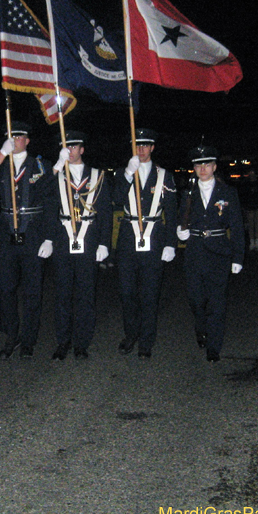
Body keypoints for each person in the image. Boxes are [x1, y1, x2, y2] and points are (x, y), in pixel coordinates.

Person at [0, 121, 56, 359]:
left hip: (33, 234)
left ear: (27, 140)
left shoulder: (40, 166)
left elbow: (51, 202)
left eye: (19, 137)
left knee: (32, 291)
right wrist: (1, 153)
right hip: (5, 236)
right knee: (5, 289)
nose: (15, 141)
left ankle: (28, 339)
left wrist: (49, 238)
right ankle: (11, 336)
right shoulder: (1, 165)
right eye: (10, 137)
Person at [113, 128, 178, 358]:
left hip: (154, 239)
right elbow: (117, 199)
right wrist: (128, 175)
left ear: (152, 148)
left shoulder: (164, 175)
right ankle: (131, 335)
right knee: (127, 292)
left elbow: (171, 211)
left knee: (150, 294)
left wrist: (171, 243)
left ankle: (146, 341)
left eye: (145, 145)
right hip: (128, 240)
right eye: (137, 146)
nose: (141, 150)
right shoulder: (123, 172)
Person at [176, 145, 244, 362]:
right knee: (196, 300)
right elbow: (181, 219)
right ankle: (200, 326)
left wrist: (238, 257)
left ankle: (214, 347)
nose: (202, 168)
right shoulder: (188, 193)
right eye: (198, 164)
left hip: (219, 253)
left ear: (214, 166)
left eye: (207, 164)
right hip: (195, 252)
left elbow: (238, 226)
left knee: (217, 303)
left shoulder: (228, 192)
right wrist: (180, 231)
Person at [49, 130, 113, 360]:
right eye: (66, 147)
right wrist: (48, 238)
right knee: (63, 294)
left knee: (86, 295)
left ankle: (81, 343)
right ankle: (63, 341)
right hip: (63, 242)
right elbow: (45, 200)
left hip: (89, 241)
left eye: (74, 147)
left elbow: (105, 212)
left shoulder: (97, 175)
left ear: (82, 149)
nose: (70, 151)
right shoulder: (56, 175)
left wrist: (104, 243)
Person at [238, 169, 258, 250]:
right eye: (251, 174)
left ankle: (257, 241)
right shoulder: (246, 184)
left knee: (257, 224)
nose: (252, 176)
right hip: (250, 206)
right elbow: (244, 196)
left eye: (253, 174)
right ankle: (252, 241)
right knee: (251, 225)